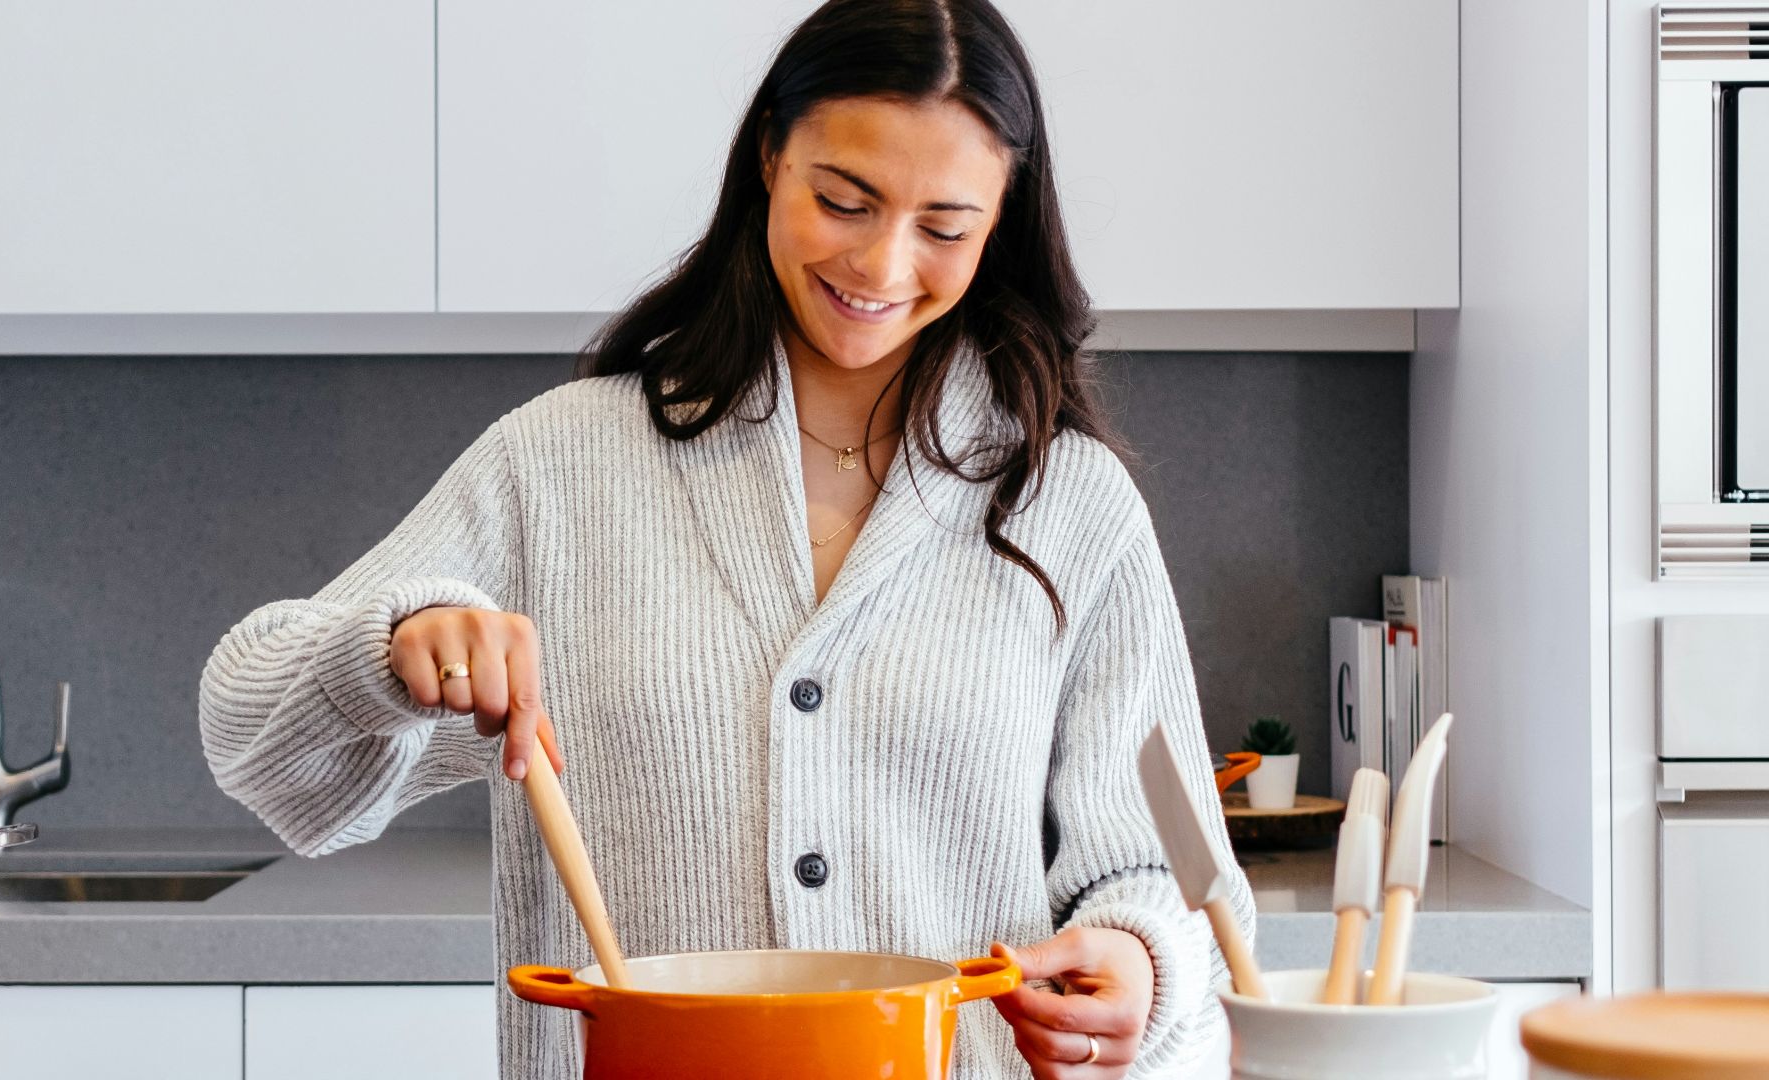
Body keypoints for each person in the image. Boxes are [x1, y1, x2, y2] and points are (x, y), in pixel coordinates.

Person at [197, 1, 1253, 1076]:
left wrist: (1140, 964)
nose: (885, 267)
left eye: (944, 227)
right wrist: (390, 647)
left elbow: (1174, 883)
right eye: (844, 201)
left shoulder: (1070, 505)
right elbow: (252, 742)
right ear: (768, 161)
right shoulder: (561, 467)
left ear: (1002, 224)